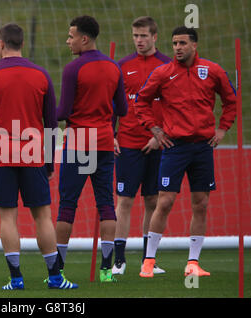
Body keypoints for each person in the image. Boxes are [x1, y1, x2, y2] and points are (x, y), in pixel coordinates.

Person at [0, 23, 78, 290]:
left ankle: (16, 279)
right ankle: (55, 277)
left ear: (0, 43)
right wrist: (50, 162)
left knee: (8, 217)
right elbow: (52, 123)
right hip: (34, 154)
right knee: (42, 216)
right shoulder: (41, 75)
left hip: (1, 153)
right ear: (21, 44)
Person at [135, 26, 237, 278]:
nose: (177, 48)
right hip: (174, 147)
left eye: (182, 43)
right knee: (165, 202)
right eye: (174, 44)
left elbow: (231, 101)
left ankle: (193, 263)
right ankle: (148, 260)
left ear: (194, 45)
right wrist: (155, 129)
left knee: (200, 203)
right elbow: (141, 101)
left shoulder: (212, 71)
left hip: (203, 148)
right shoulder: (163, 73)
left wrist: (223, 128)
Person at [55, 16, 128, 283]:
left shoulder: (73, 69)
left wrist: (41, 112)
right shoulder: (114, 67)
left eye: (70, 35)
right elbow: (122, 109)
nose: (68, 40)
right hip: (105, 143)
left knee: (67, 206)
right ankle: (107, 270)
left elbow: (62, 112)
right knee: (106, 204)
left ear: (84, 39)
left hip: (78, 144)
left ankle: (57, 270)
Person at [112, 16, 171, 276]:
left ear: (154, 37)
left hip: (157, 143)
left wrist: (159, 135)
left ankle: (149, 261)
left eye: (144, 36)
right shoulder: (122, 65)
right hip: (127, 142)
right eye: (136, 36)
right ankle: (118, 260)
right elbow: (112, 104)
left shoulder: (169, 66)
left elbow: (174, 106)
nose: (139, 40)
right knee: (124, 200)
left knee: (152, 200)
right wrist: (111, 133)